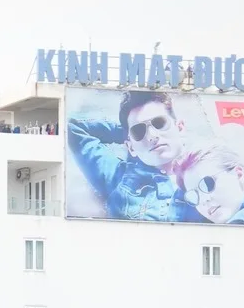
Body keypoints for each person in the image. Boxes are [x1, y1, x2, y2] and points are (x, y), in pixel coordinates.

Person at [67, 88, 196, 221]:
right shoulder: (117, 177)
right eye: (139, 130)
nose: (152, 136)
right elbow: (71, 128)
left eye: (159, 123)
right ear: (130, 147)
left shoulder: (208, 169)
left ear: (180, 128)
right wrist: (130, 135)